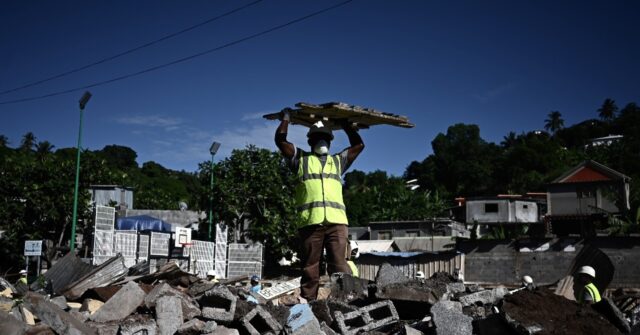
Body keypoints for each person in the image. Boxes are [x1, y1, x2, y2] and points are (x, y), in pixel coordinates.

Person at [275, 108, 365, 301]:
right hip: (310, 223)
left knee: (340, 266)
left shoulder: (337, 162)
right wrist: (286, 119)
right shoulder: (301, 160)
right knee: (310, 268)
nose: (321, 141)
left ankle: (344, 302)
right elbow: (281, 141)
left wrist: (347, 127)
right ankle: (309, 304)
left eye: (325, 138)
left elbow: (359, 145)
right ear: (310, 142)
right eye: (317, 138)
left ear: (331, 142)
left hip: (337, 223)